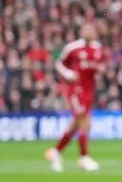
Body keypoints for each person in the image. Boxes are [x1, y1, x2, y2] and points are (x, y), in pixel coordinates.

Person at [44, 21, 104, 172]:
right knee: (84, 121)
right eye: (86, 29)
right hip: (75, 89)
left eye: (91, 29)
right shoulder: (73, 47)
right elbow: (59, 64)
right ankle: (84, 157)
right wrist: (68, 74)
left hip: (89, 89)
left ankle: (56, 152)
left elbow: (96, 67)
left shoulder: (97, 48)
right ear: (81, 31)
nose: (89, 32)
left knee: (76, 123)